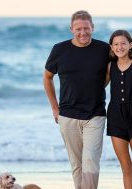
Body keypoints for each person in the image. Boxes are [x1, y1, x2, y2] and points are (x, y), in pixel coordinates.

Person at [43, 10, 110, 189]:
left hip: (95, 114)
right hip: (67, 115)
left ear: (93, 28)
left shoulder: (104, 49)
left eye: (86, 28)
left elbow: (119, 66)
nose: (83, 33)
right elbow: (47, 77)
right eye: (78, 29)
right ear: (71, 29)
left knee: (90, 161)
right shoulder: (59, 49)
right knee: (77, 164)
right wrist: (54, 108)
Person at [105, 30, 132, 189]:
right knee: (126, 167)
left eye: (123, 43)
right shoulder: (110, 66)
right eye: (115, 44)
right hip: (115, 117)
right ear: (111, 47)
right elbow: (97, 87)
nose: (119, 47)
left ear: (131, 45)